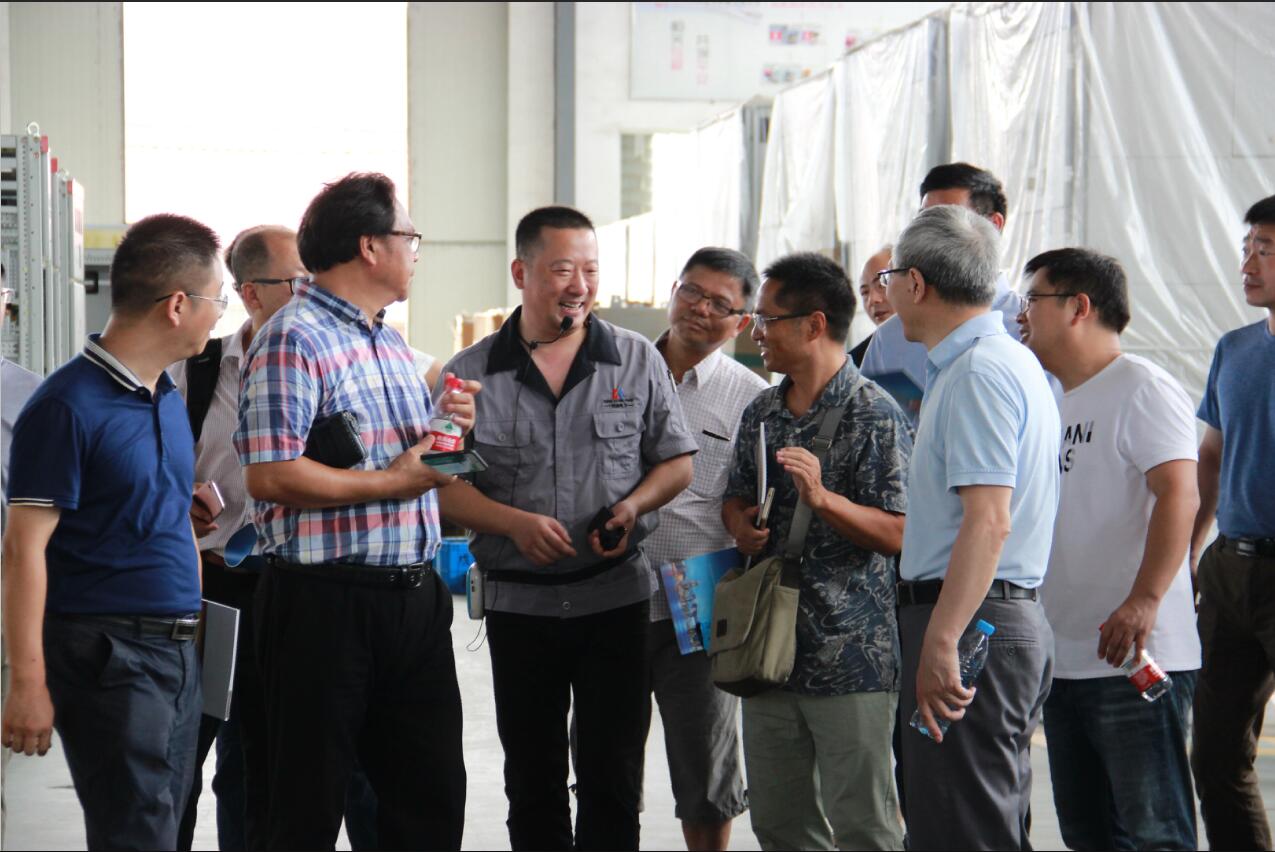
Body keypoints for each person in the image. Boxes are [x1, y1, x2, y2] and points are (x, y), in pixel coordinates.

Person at [437, 205, 696, 851]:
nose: (579, 285)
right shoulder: (467, 374)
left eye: (590, 270)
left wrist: (632, 508)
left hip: (615, 602)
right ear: (521, 273)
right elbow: (440, 482)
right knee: (533, 781)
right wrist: (514, 524)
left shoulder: (635, 359)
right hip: (520, 607)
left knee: (613, 780)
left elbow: (677, 462)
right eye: (561, 270)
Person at [234, 172, 476, 850]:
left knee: (428, 804)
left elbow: (417, 467)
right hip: (323, 606)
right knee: (302, 809)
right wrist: (390, 482)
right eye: (410, 238)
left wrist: (450, 429)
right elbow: (269, 473)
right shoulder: (294, 338)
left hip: (413, 600)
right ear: (370, 246)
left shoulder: (390, 344)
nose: (416, 252)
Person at [3, 214, 225, 849]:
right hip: (111, 654)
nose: (219, 316)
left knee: (165, 826)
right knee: (137, 834)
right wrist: (27, 682)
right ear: (177, 305)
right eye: (217, 300)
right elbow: (22, 551)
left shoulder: (165, 396)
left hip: (176, 648)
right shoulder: (67, 406)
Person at [722, 252, 912, 851]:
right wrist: (741, 525)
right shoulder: (762, 410)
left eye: (766, 319)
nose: (756, 332)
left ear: (814, 324)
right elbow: (733, 496)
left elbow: (899, 532)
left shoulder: (875, 414)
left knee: (864, 824)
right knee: (779, 823)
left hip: (849, 656)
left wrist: (824, 500)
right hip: (765, 652)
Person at [886, 204, 1059, 850]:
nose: (887, 292)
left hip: (968, 619)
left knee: (959, 827)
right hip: (985, 615)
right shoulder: (999, 361)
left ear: (916, 283)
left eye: (890, 278)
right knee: (973, 819)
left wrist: (942, 638)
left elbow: (987, 522)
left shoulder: (978, 373)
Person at [1020, 247, 1200, 850]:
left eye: (1033, 300)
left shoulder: (1141, 387)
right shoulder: (1049, 398)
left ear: (1079, 307)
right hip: (1066, 657)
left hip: (1134, 657)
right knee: (1088, 835)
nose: (1021, 315)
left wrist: (1145, 599)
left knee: (1155, 835)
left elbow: (1180, 493)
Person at [171, 225, 304, 851]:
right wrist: (179, 505)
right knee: (184, 749)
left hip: (288, 587)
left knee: (261, 762)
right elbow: (153, 466)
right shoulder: (195, 372)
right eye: (296, 283)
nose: (311, 295)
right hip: (211, 586)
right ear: (250, 292)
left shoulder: (320, 365)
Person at [644, 247, 767, 851]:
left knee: (707, 768)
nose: (700, 308)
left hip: (699, 599)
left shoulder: (751, 398)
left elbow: (749, 497)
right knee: (602, 757)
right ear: (673, 291)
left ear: (741, 321)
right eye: (692, 291)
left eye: (721, 304)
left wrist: (745, 523)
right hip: (611, 592)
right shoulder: (620, 369)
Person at [1190, 193, 1275, 850]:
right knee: (1216, 756)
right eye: (1246, 249)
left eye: (1264, 251)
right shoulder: (1235, 348)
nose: (1247, 264)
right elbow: (1211, 458)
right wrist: (1190, 555)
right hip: (1229, 569)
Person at [860, 163, 1023, 394]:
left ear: (993, 225)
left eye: (946, 220)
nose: (929, 236)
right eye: (923, 221)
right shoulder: (890, 337)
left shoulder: (1027, 326)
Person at [850, 245, 895, 367]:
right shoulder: (857, 363)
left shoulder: (935, 345)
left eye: (881, 285)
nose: (872, 300)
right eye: (865, 292)